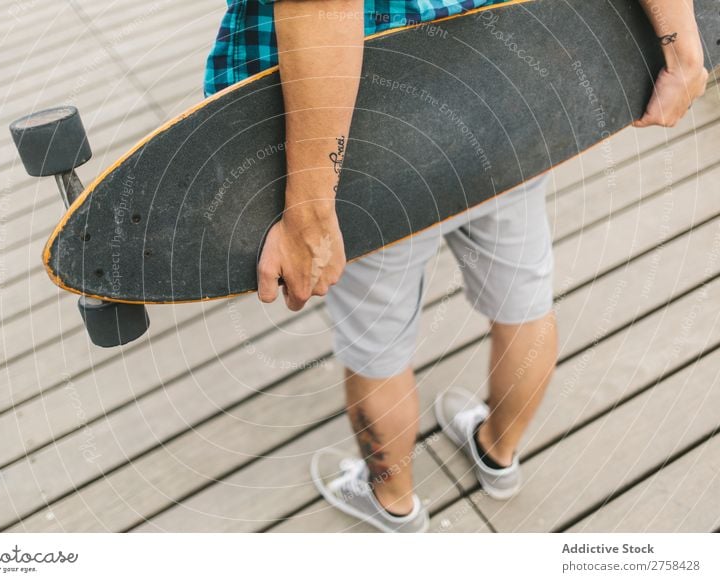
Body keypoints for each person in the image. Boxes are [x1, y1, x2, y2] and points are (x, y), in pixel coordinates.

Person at [204, 0, 708, 533]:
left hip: (368, 133)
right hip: (501, 91)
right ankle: (498, 454)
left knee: (379, 341)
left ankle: (393, 501)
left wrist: (310, 211)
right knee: (525, 300)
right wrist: (682, 54)